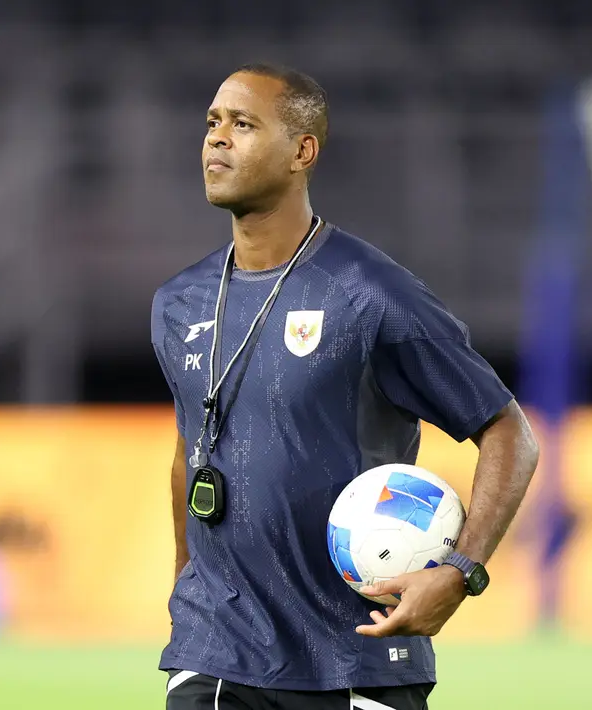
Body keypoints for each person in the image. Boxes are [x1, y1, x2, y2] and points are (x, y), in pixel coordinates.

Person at [150, 63, 541, 710]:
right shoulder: (178, 302)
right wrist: (183, 590)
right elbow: (189, 447)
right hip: (216, 654)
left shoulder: (370, 295)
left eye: (243, 124)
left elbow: (509, 434)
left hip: (355, 657)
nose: (216, 137)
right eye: (213, 122)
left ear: (301, 151)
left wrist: (460, 571)